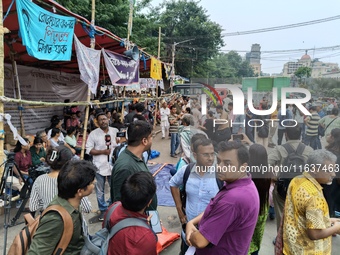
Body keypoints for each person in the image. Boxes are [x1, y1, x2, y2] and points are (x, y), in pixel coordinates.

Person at [186, 141, 259, 255]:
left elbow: (199, 241)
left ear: (243, 166)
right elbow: (215, 206)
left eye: (227, 164)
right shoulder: (244, 183)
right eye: (219, 161)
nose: (219, 167)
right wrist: (192, 222)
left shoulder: (232, 200)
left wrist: (190, 233)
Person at [27, 160, 96, 254]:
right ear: (80, 191)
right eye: (91, 183)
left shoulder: (72, 202)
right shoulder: (56, 218)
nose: (94, 183)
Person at [283, 150, 340, 255]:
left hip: (293, 247)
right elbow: (314, 234)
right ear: (315, 169)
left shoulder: (297, 180)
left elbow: (302, 215)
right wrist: (336, 228)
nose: (333, 174)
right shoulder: (314, 197)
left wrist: (327, 219)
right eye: (329, 170)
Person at [169, 138, 220, 255]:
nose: (211, 158)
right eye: (206, 155)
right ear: (195, 155)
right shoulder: (186, 171)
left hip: (210, 235)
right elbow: (173, 183)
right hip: (188, 232)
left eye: (212, 154)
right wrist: (179, 208)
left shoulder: (220, 175)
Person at [268, 125, 314, 232]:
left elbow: (265, 164)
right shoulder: (309, 150)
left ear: (286, 135)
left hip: (283, 188)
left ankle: (282, 237)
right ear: (300, 135)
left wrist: (274, 177)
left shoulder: (279, 149)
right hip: (303, 189)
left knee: (281, 214)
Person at [106, 172, 157, 255]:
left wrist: (143, 224)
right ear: (149, 202)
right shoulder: (146, 237)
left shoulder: (112, 208)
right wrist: (147, 228)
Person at [29, 146, 91, 213]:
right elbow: (86, 208)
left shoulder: (39, 180)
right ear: (69, 162)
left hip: (49, 220)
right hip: (71, 221)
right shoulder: (74, 179)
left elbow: (33, 207)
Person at [110, 120, 157, 210]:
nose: (152, 140)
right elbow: (119, 204)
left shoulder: (139, 156)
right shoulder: (126, 167)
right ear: (144, 141)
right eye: (151, 137)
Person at [86, 112, 118, 221]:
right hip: (99, 166)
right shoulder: (93, 134)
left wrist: (119, 141)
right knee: (100, 191)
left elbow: (120, 146)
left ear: (108, 119)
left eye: (105, 119)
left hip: (113, 166)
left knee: (114, 187)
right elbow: (89, 150)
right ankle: (103, 210)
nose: (103, 121)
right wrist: (103, 151)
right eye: (101, 120)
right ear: (97, 122)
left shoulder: (115, 131)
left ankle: (112, 207)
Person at [248, 144, 271, 255]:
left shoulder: (246, 174)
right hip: (262, 208)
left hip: (249, 207)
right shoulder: (268, 173)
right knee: (256, 238)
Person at [323, 128, 340, 217]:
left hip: (327, 189)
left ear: (333, 138)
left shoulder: (327, 154)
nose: (328, 136)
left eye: (330, 135)